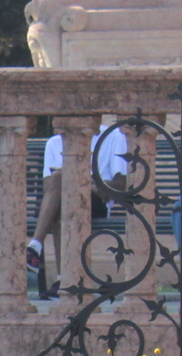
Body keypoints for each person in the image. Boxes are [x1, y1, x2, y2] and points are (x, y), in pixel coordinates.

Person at [32, 123, 129, 298]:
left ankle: (36, 248)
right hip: (62, 200)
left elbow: (120, 185)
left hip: (97, 201)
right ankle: (66, 279)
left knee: (63, 183)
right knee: (61, 194)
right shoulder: (54, 143)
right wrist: (76, 180)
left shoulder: (114, 136)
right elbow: (50, 187)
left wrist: (78, 180)